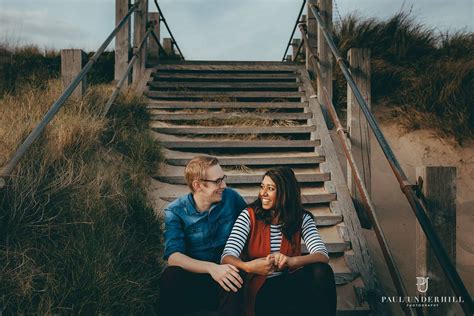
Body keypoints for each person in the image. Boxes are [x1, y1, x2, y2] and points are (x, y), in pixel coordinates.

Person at [221, 167, 337, 316]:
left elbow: (322, 255)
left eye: (270, 188)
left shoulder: (301, 218)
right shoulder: (249, 215)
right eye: (262, 187)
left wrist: (291, 261)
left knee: (322, 271)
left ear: (285, 193)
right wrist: (249, 267)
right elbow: (227, 256)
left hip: (289, 284)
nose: (263, 193)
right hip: (260, 287)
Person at [158, 156, 248, 316]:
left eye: (223, 179)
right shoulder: (175, 211)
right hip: (195, 281)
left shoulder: (232, 198)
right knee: (171, 275)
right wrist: (212, 268)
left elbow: (254, 221)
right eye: (218, 181)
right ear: (198, 185)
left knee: (234, 273)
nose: (224, 185)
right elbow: (173, 257)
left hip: (226, 283)